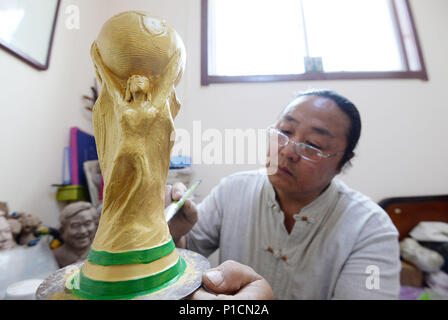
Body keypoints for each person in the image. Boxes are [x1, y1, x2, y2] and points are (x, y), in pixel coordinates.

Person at [167, 89, 401, 299]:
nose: (287, 150)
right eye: (285, 131)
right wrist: (175, 233)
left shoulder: (371, 229)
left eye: (314, 145)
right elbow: (188, 254)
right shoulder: (233, 190)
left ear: (342, 162)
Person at [53, 201, 98, 267]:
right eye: (75, 225)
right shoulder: (55, 256)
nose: (83, 231)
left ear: (95, 224)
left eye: (87, 223)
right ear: (64, 229)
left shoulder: (103, 250)